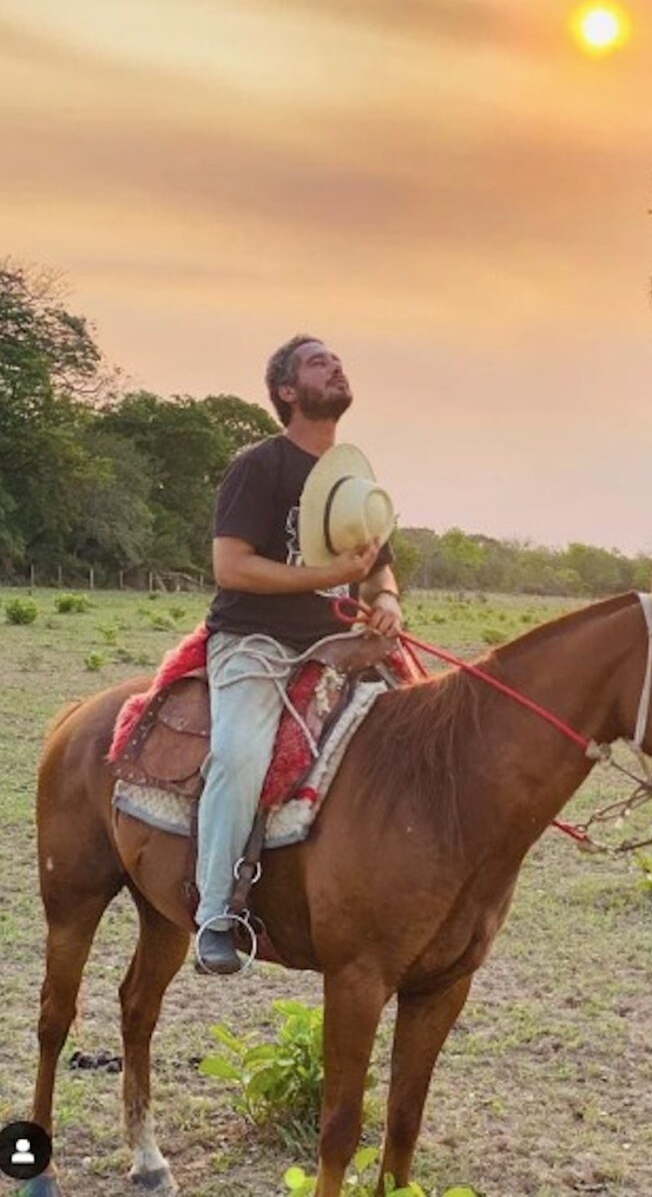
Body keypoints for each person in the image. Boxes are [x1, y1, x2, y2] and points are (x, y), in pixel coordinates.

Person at [195, 334, 403, 974]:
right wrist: (324, 577)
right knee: (239, 754)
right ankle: (215, 912)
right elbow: (230, 567)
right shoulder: (260, 466)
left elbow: (376, 571)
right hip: (255, 644)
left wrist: (387, 600)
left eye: (337, 359)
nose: (335, 364)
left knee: (424, 732)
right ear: (288, 391)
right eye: (317, 362)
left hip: (335, 648)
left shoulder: (354, 483)